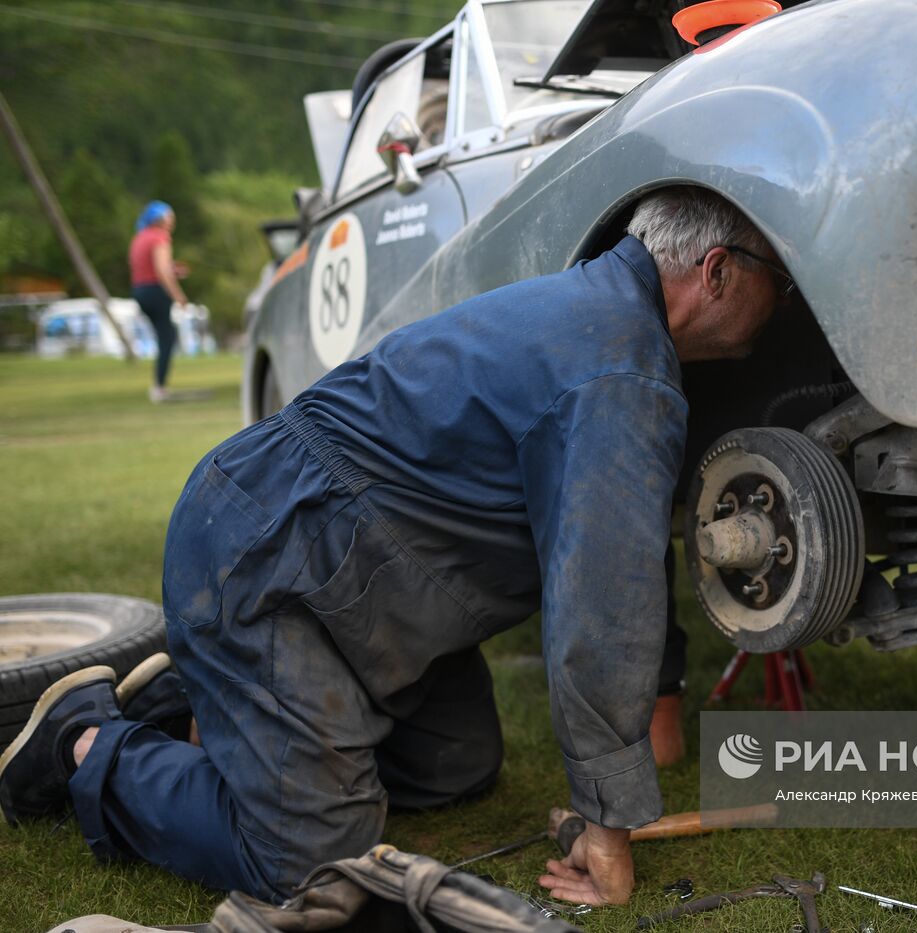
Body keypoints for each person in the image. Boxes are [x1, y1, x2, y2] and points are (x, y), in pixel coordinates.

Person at [0, 187, 792, 907]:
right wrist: (609, 828)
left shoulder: (600, 315)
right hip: (268, 556)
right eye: (777, 277)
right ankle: (89, 739)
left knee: (457, 763)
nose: (785, 296)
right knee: (317, 860)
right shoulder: (622, 369)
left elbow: (618, 563)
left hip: (336, 568)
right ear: (717, 271)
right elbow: (603, 608)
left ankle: (202, 696)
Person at [129, 200, 190, 403]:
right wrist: (178, 295)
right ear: (160, 219)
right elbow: (162, 272)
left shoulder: (141, 237)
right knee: (167, 336)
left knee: (164, 336)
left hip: (140, 291)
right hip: (156, 291)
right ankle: (159, 388)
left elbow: (149, 268)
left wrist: (171, 270)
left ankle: (159, 385)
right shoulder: (160, 237)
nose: (172, 221)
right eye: (169, 217)